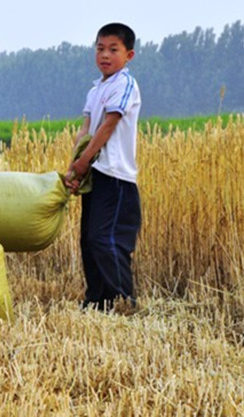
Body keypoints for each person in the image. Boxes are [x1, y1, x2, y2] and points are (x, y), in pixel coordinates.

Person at [64, 22, 142, 311]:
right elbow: (85, 129)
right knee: (89, 240)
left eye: (113, 49)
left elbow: (108, 125)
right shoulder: (96, 89)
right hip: (95, 175)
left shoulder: (125, 84)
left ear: (129, 55)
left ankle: (121, 301)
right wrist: (74, 167)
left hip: (116, 177)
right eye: (100, 49)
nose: (105, 55)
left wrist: (84, 162)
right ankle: (96, 299)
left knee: (106, 239)